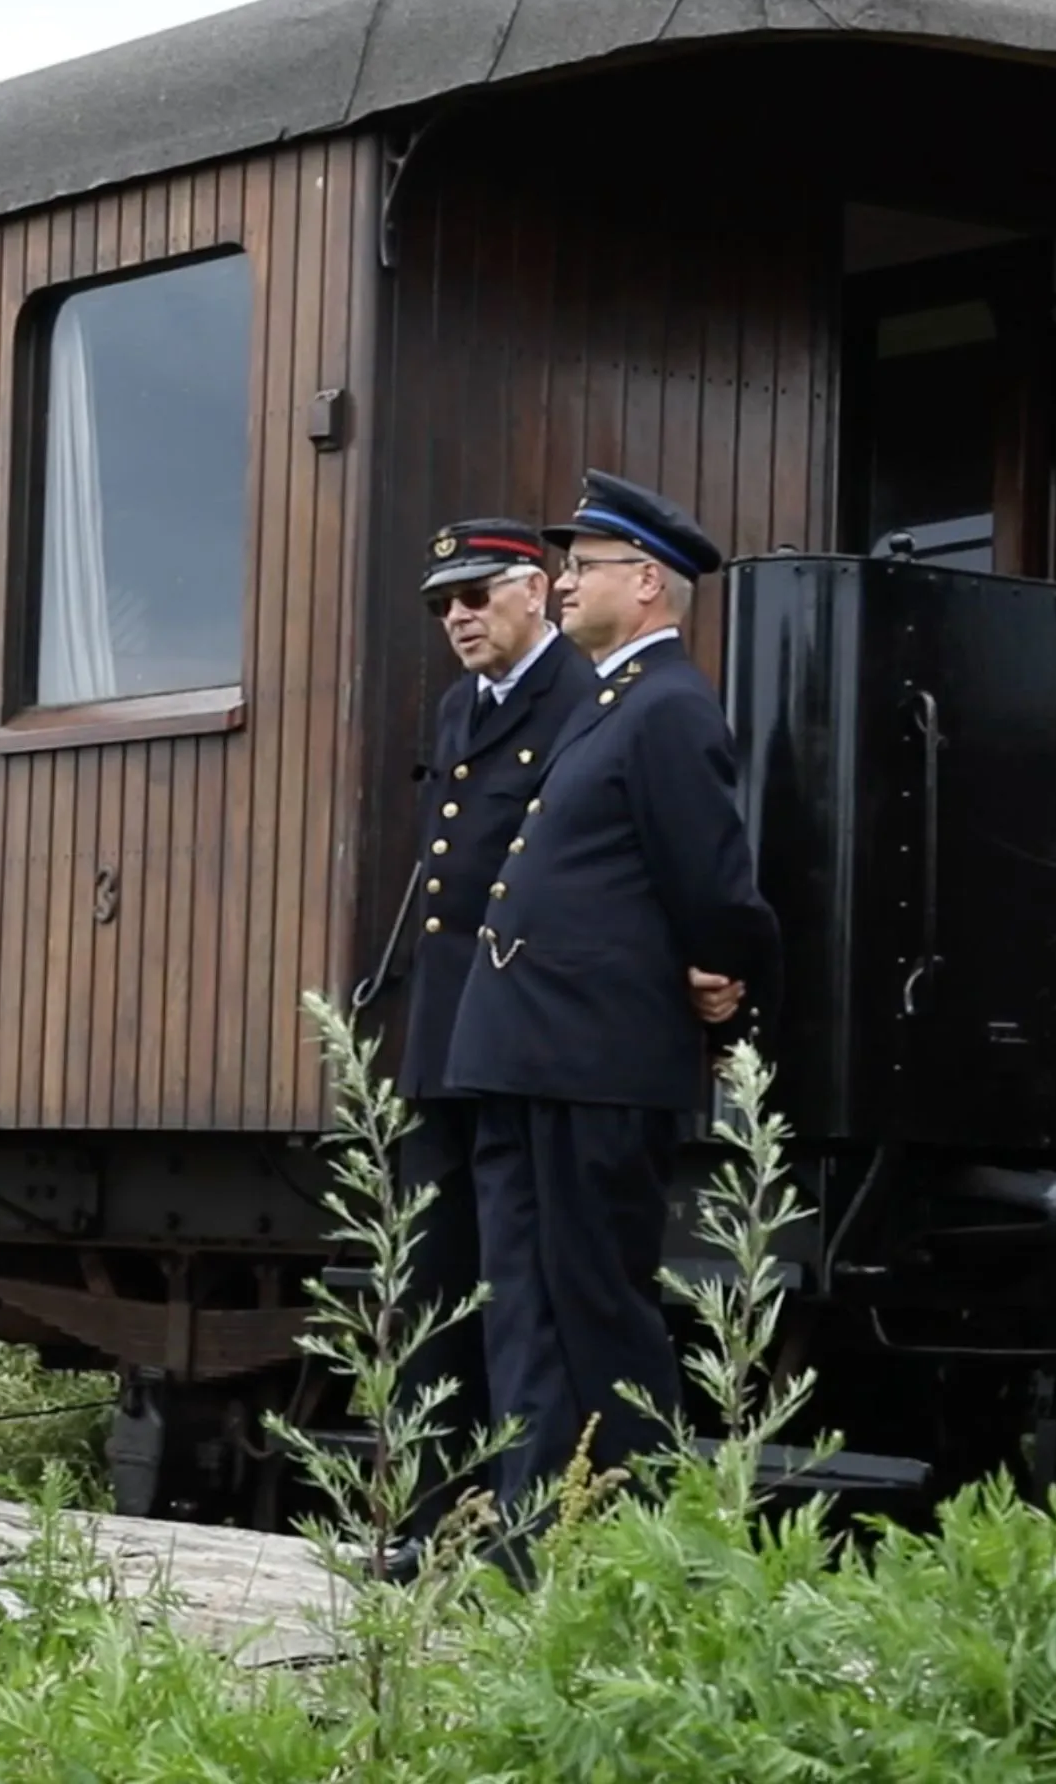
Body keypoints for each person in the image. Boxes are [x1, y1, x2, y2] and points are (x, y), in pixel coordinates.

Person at [441, 468, 781, 1529]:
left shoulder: (669, 705)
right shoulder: (615, 701)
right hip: (532, 1047)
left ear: (645, 581)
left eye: (582, 566)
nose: (566, 579)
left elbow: (713, 880)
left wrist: (726, 981)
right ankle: (533, 1528)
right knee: (528, 1306)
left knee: (594, 1302)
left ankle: (648, 1534)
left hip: (597, 1054)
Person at [355, 517, 592, 1553]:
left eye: (477, 593)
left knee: (515, 1283)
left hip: (526, 1025)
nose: (457, 616)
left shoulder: (579, 701)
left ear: (535, 589)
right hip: (447, 1025)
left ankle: (521, 1516)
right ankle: (430, 1513)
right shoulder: (464, 705)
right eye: (443, 602)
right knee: (435, 1274)